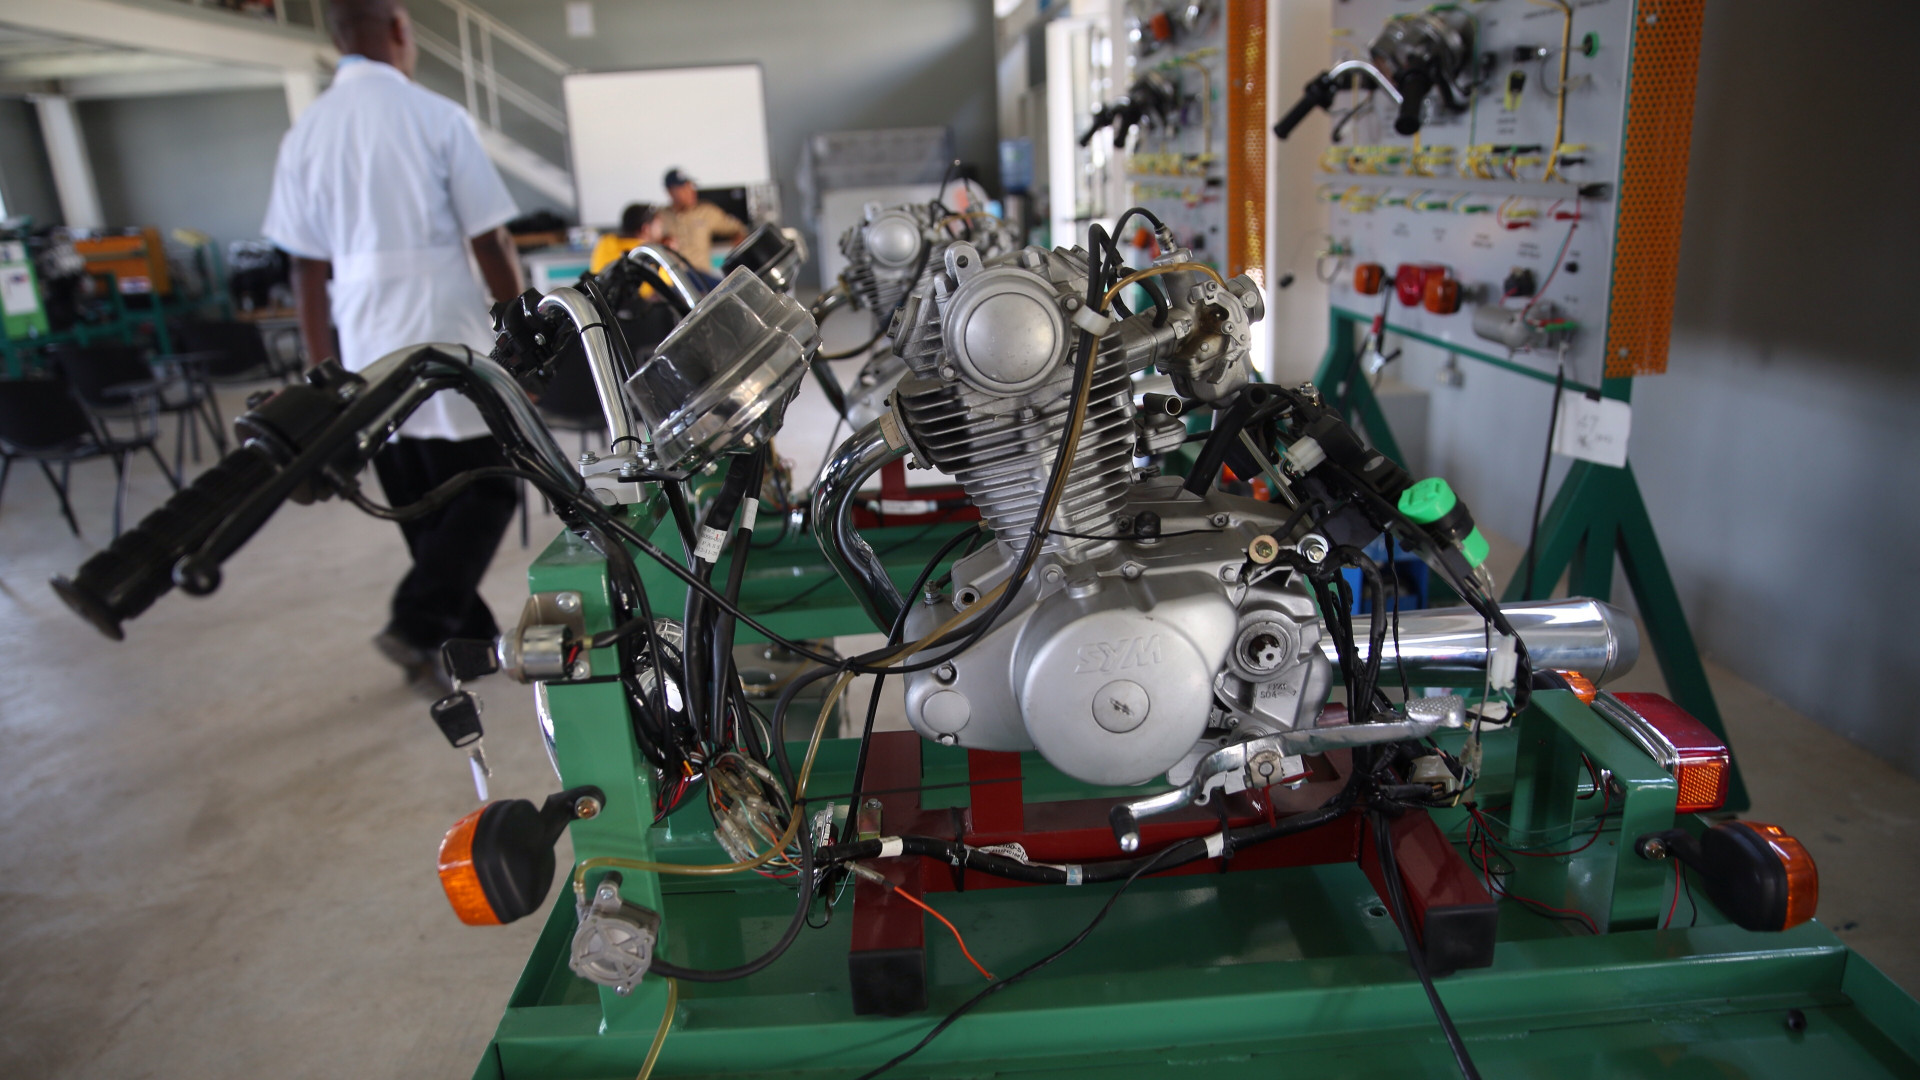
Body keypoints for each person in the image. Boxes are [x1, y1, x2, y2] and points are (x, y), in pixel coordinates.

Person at [262, 0, 524, 695]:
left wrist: (322, 373)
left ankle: (469, 644)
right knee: (493, 482)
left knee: (418, 496)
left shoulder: (306, 132)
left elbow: (305, 271)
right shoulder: (437, 116)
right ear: (401, 29)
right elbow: (491, 240)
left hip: (364, 342)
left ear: (335, 36)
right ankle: (418, 622)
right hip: (447, 328)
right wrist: (521, 336)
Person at [653, 168, 747, 278]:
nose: (690, 191)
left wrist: (738, 248)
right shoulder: (660, 217)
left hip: (701, 277)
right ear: (670, 191)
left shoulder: (706, 212)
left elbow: (738, 228)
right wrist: (662, 243)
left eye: (690, 186)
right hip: (672, 277)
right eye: (683, 188)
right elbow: (647, 242)